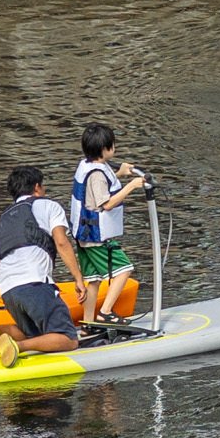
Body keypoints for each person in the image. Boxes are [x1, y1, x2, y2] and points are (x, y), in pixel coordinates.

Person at [0, 165, 85, 354]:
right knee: (69, 339)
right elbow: (61, 242)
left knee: (34, 335)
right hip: (34, 283)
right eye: (43, 186)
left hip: (8, 288)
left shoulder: (6, 217)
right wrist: (78, 279)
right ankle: (17, 347)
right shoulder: (49, 206)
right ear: (36, 187)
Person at [70, 123, 148, 320]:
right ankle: (104, 313)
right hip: (96, 238)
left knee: (94, 280)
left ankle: (88, 323)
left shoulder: (88, 165)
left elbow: (102, 183)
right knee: (125, 270)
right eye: (112, 145)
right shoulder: (97, 174)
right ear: (105, 149)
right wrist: (132, 185)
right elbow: (107, 203)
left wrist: (120, 173)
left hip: (83, 236)